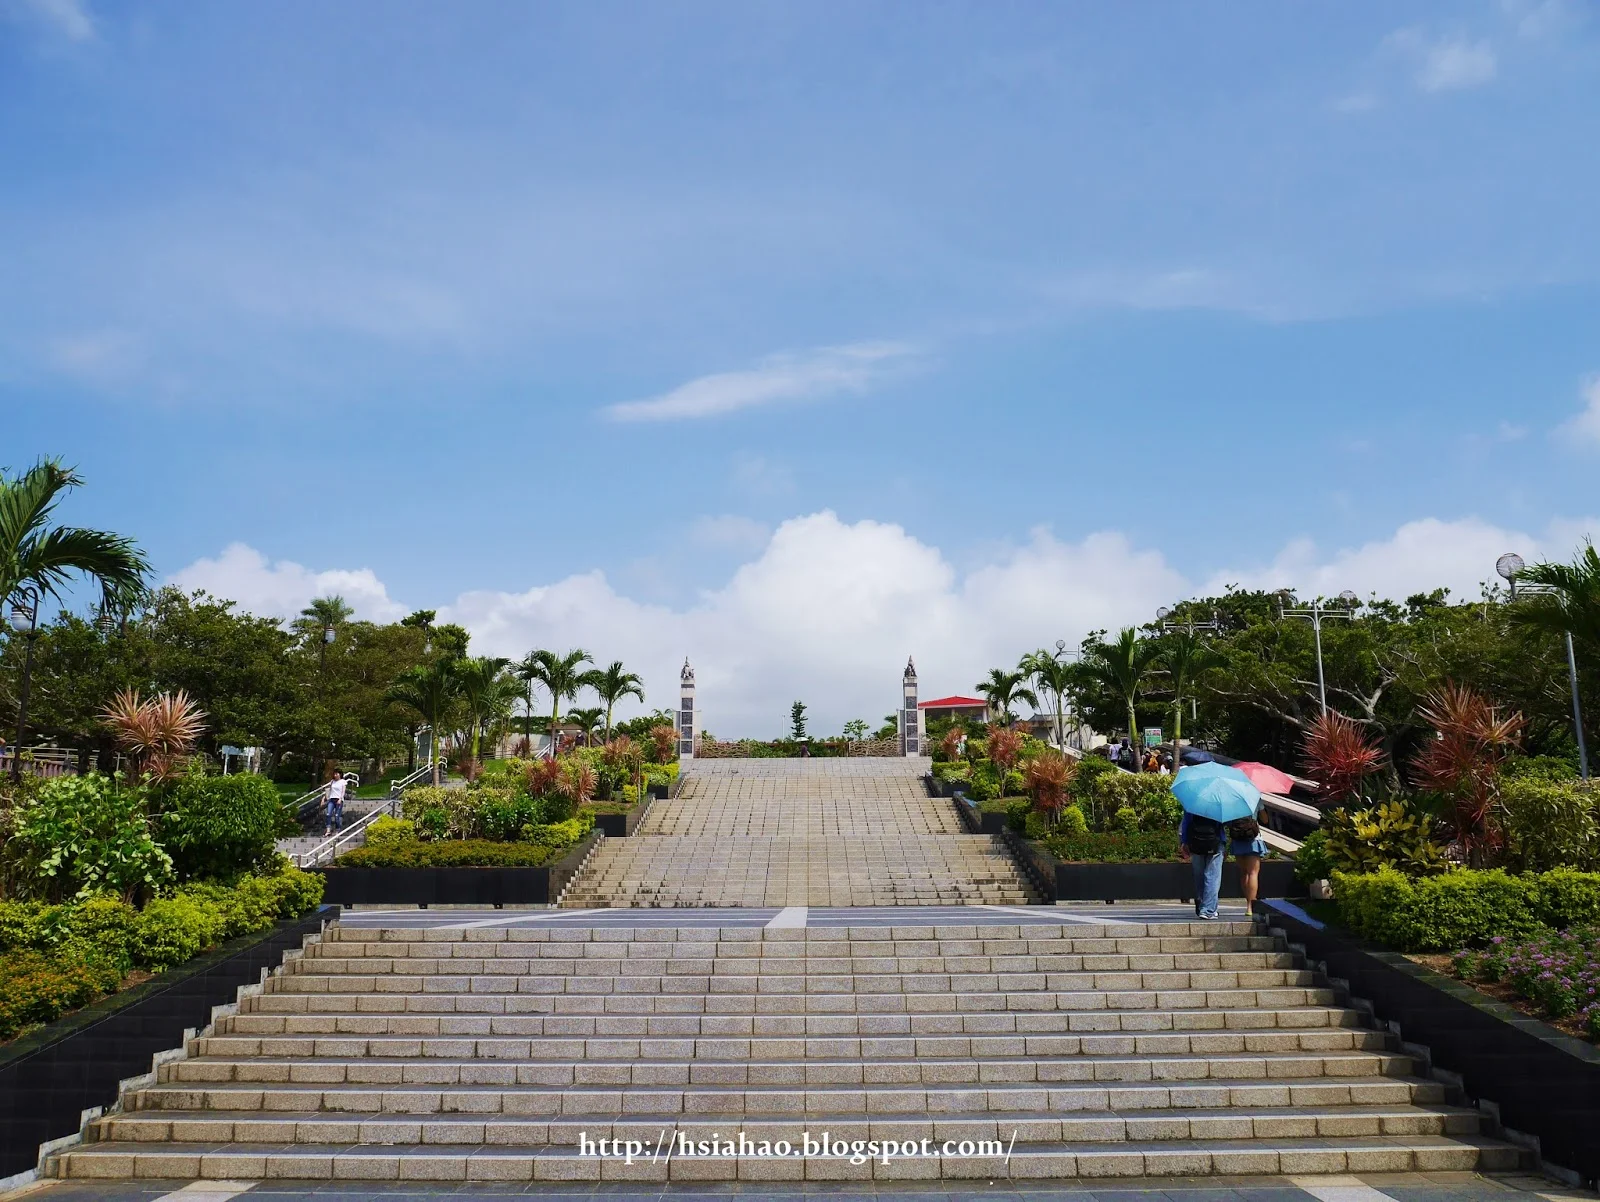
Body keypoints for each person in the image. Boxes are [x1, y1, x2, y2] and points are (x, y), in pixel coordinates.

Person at [1179, 808, 1225, 920]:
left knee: (1199, 874)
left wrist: (1184, 841)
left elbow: (1186, 821)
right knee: (1212, 876)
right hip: (1215, 841)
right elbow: (1224, 823)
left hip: (1196, 841)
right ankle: (1208, 910)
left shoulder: (1193, 801)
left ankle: (1201, 905)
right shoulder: (1219, 803)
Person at [1229, 812, 1267, 914]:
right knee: (1253, 873)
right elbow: (1265, 819)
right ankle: (1251, 906)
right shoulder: (1254, 798)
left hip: (1237, 840)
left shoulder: (1232, 800)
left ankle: (1248, 901)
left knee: (1244, 872)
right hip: (1253, 839)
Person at [324, 772, 348, 837]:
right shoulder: (332, 781)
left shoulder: (343, 781)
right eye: (334, 774)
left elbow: (343, 791)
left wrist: (340, 799)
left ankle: (338, 829)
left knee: (337, 816)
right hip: (331, 799)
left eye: (336, 774)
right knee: (328, 814)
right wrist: (326, 797)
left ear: (340, 774)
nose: (335, 775)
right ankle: (328, 830)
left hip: (338, 799)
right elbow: (330, 790)